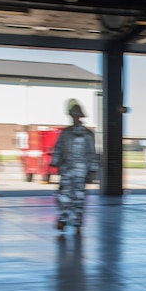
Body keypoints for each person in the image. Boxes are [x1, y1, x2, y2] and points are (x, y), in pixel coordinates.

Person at [51, 99, 98, 233]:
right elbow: (59, 148)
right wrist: (56, 163)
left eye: (76, 116)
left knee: (78, 197)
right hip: (69, 170)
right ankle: (63, 220)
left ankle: (76, 223)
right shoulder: (67, 133)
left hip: (77, 171)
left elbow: (91, 153)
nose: (75, 118)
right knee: (64, 196)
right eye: (73, 116)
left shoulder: (86, 134)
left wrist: (92, 171)